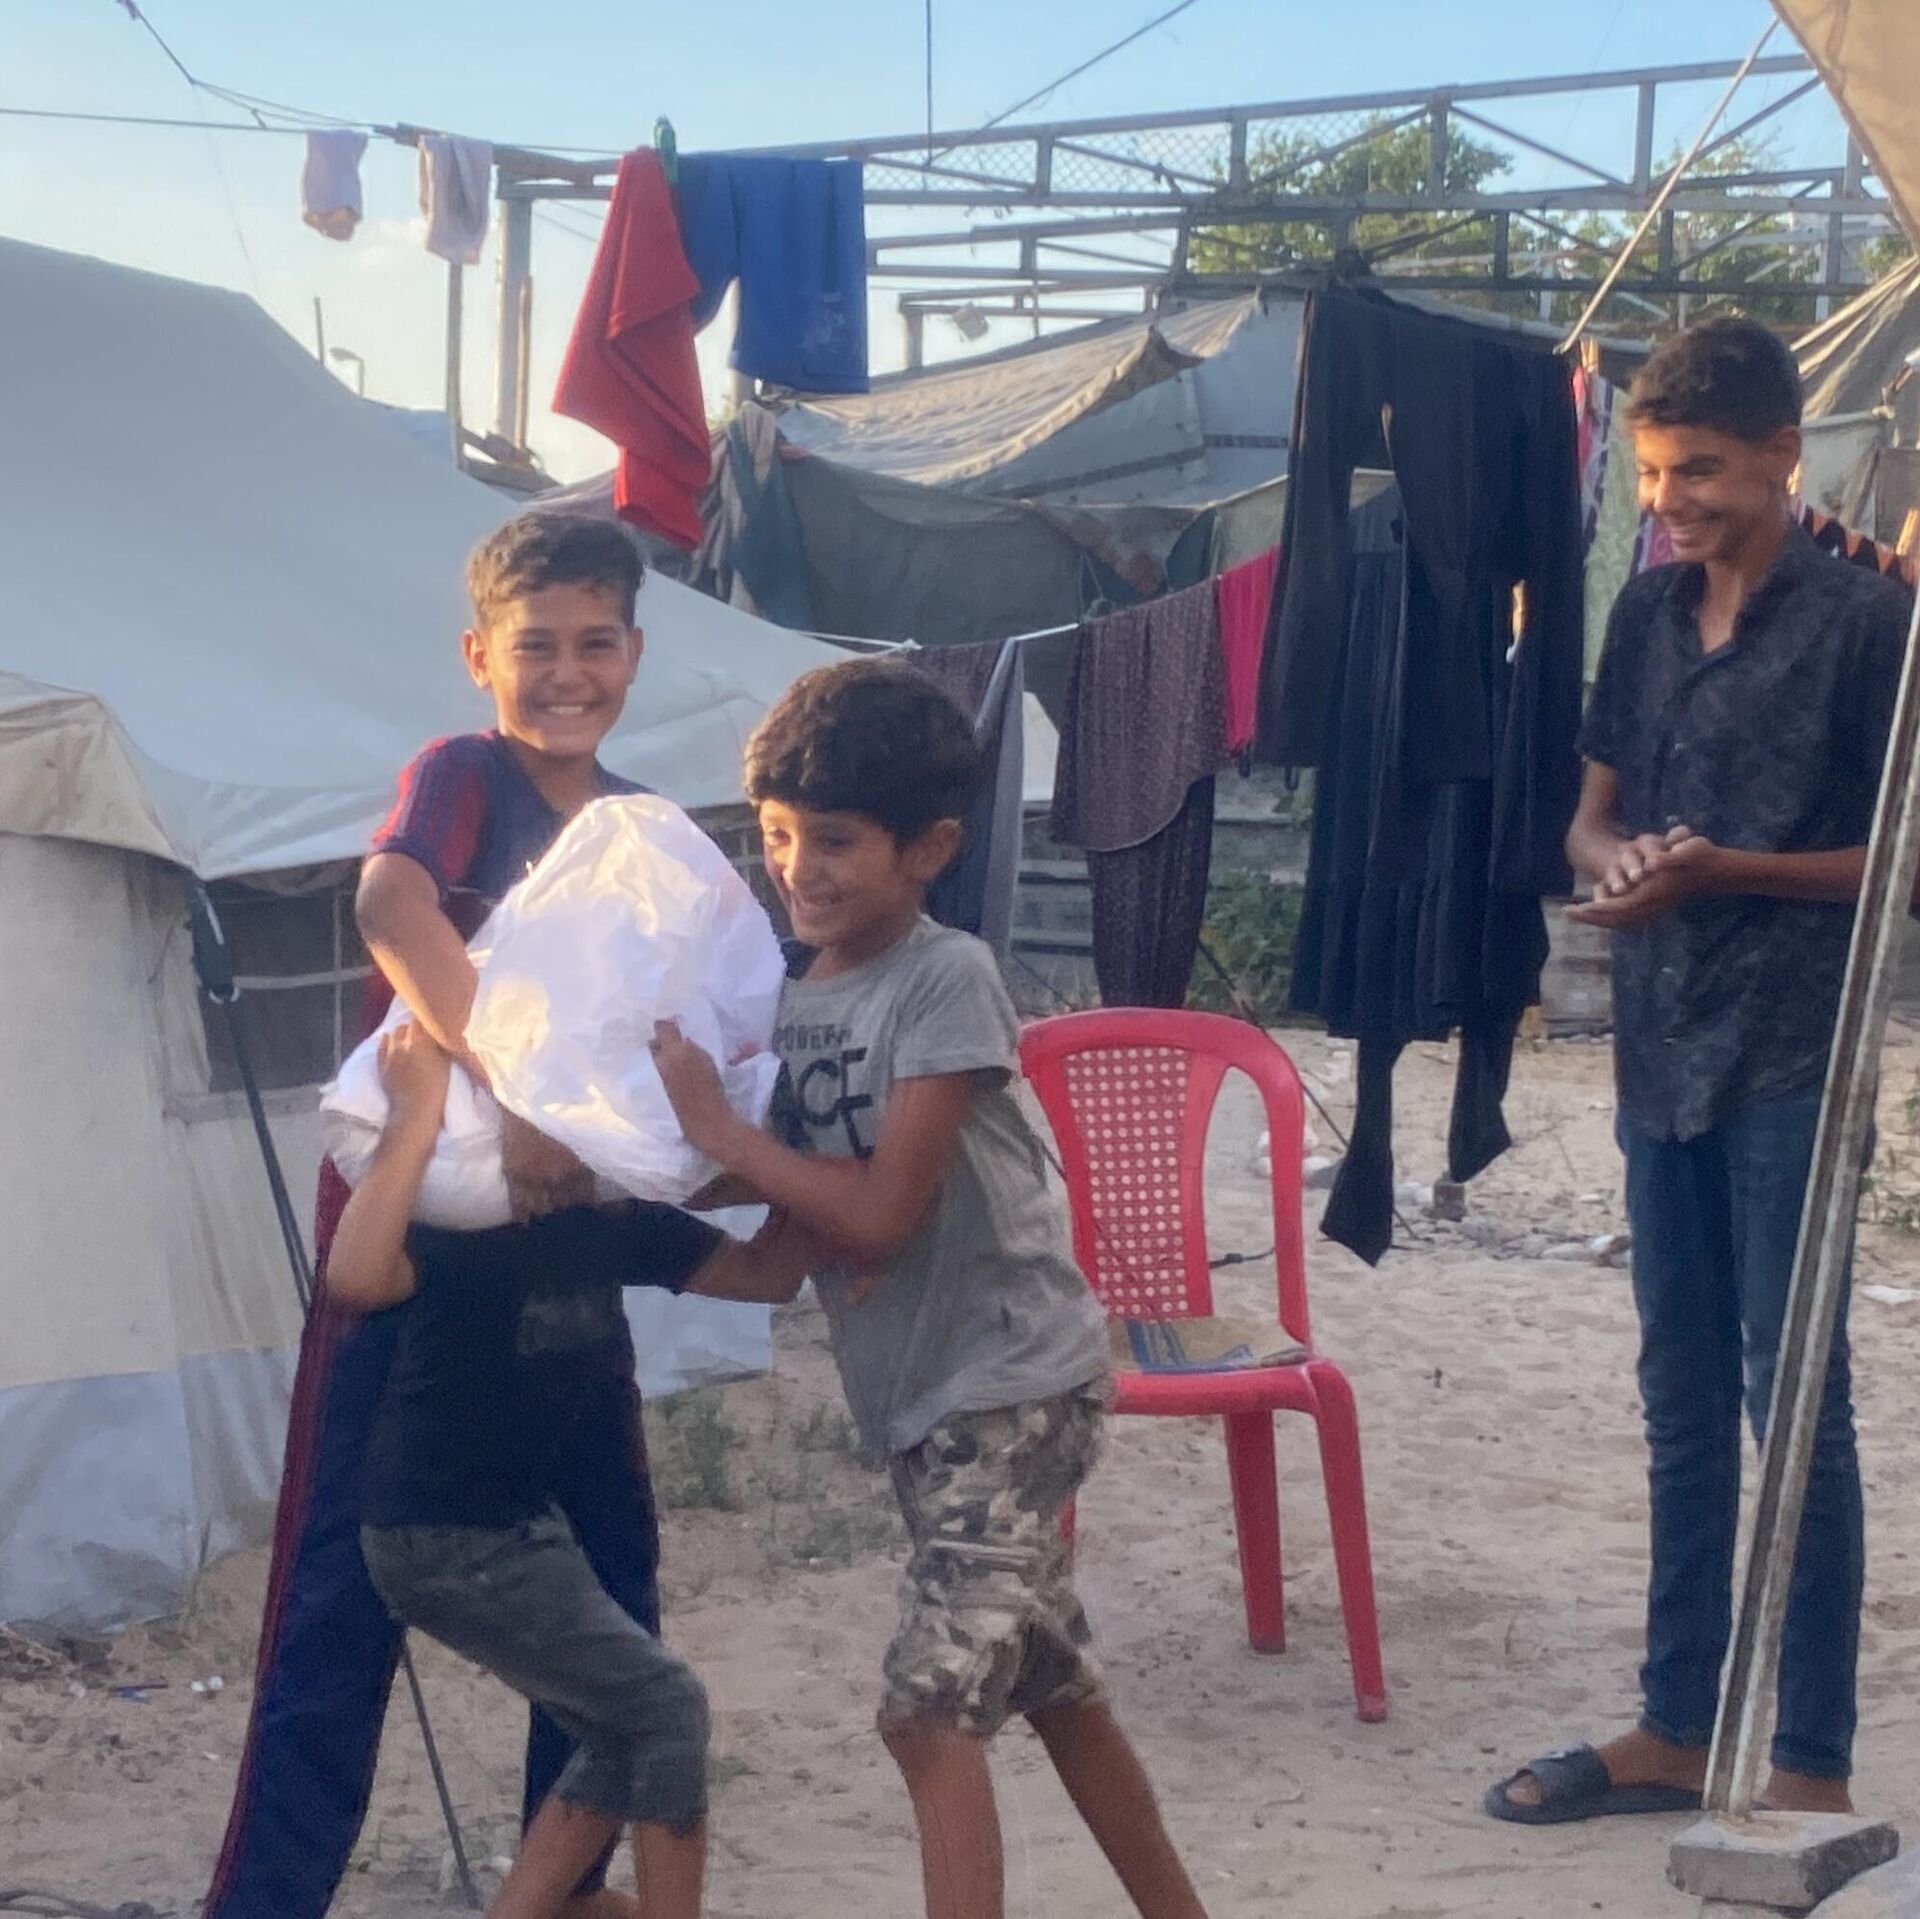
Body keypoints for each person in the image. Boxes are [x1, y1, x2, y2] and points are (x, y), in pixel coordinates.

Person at [649, 660, 1210, 1919]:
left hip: (1011, 1388)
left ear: (932, 847)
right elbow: (783, 1249)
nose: (797, 867)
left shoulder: (943, 975)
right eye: (777, 834)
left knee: (925, 1714)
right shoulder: (792, 998)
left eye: (835, 839)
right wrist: (619, 1218)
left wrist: (719, 1134)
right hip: (926, 1404)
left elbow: (877, 1215)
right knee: (1054, 1686)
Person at [207, 513, 675, 1919]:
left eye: (596, 643)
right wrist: (520, 1082)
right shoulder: (462, 776)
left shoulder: (637, 828)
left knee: (612, 1590)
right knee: (336, 1611)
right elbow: (388, 900)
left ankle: (562, 1888)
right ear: (480, 656)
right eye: (537, 646)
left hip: (562, 1255)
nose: (567, 673)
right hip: (408, 1254)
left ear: (635, 653)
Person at [1484, 317, 1911, 1826]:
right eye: (1657, 472)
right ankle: (1677, 1723)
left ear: (1787, 454)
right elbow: (1589, 814)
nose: (1671, 501)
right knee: (1677, 1391)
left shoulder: (1871, 624)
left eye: (1704, 471)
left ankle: (1810, 1760)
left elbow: (1899, 863)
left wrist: (1729, 867)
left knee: (1795, 1400)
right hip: (1659, 1046)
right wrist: (1622, 863)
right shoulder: (1646, 610)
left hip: (1796, 1052)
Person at [325, 1021, 814, 1919]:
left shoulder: (610, 1218)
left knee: (624, 1729)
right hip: (438, 1528)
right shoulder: (470, 1214)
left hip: (518, 1527)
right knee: (665, 1707)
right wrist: (412, 1120)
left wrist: (805, 1170)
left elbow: (768, 1274)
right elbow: (355, 1276)